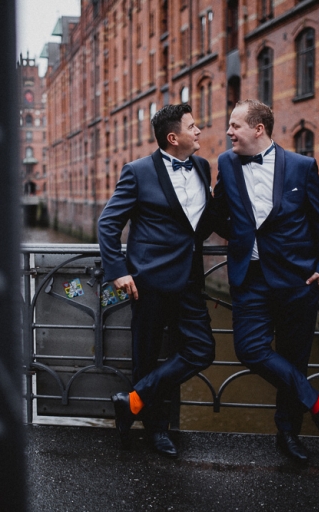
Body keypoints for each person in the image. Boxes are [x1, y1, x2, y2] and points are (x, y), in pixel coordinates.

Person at [211, 99, 319, 462]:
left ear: (258, 129)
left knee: (294, 358)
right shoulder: (226, 163)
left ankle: (288, 435)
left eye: (235, 126)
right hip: (250, 279)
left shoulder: (301, 167)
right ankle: (318, 402)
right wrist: (237, 236)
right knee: (250, 349)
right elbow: (219, 212)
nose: (229, 132)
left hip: (297, 281)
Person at [98, 104, 216, 458]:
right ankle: (156, 431)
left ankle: (131, 400)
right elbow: (108, 224)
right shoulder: (137, 172)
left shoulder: (203, 167)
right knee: (147, 358)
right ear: (173, 136)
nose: (199, 131)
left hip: (191, 280)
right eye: (192, 126)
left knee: (201, 349)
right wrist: (118, 270)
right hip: (147, 282)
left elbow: (199, 222)